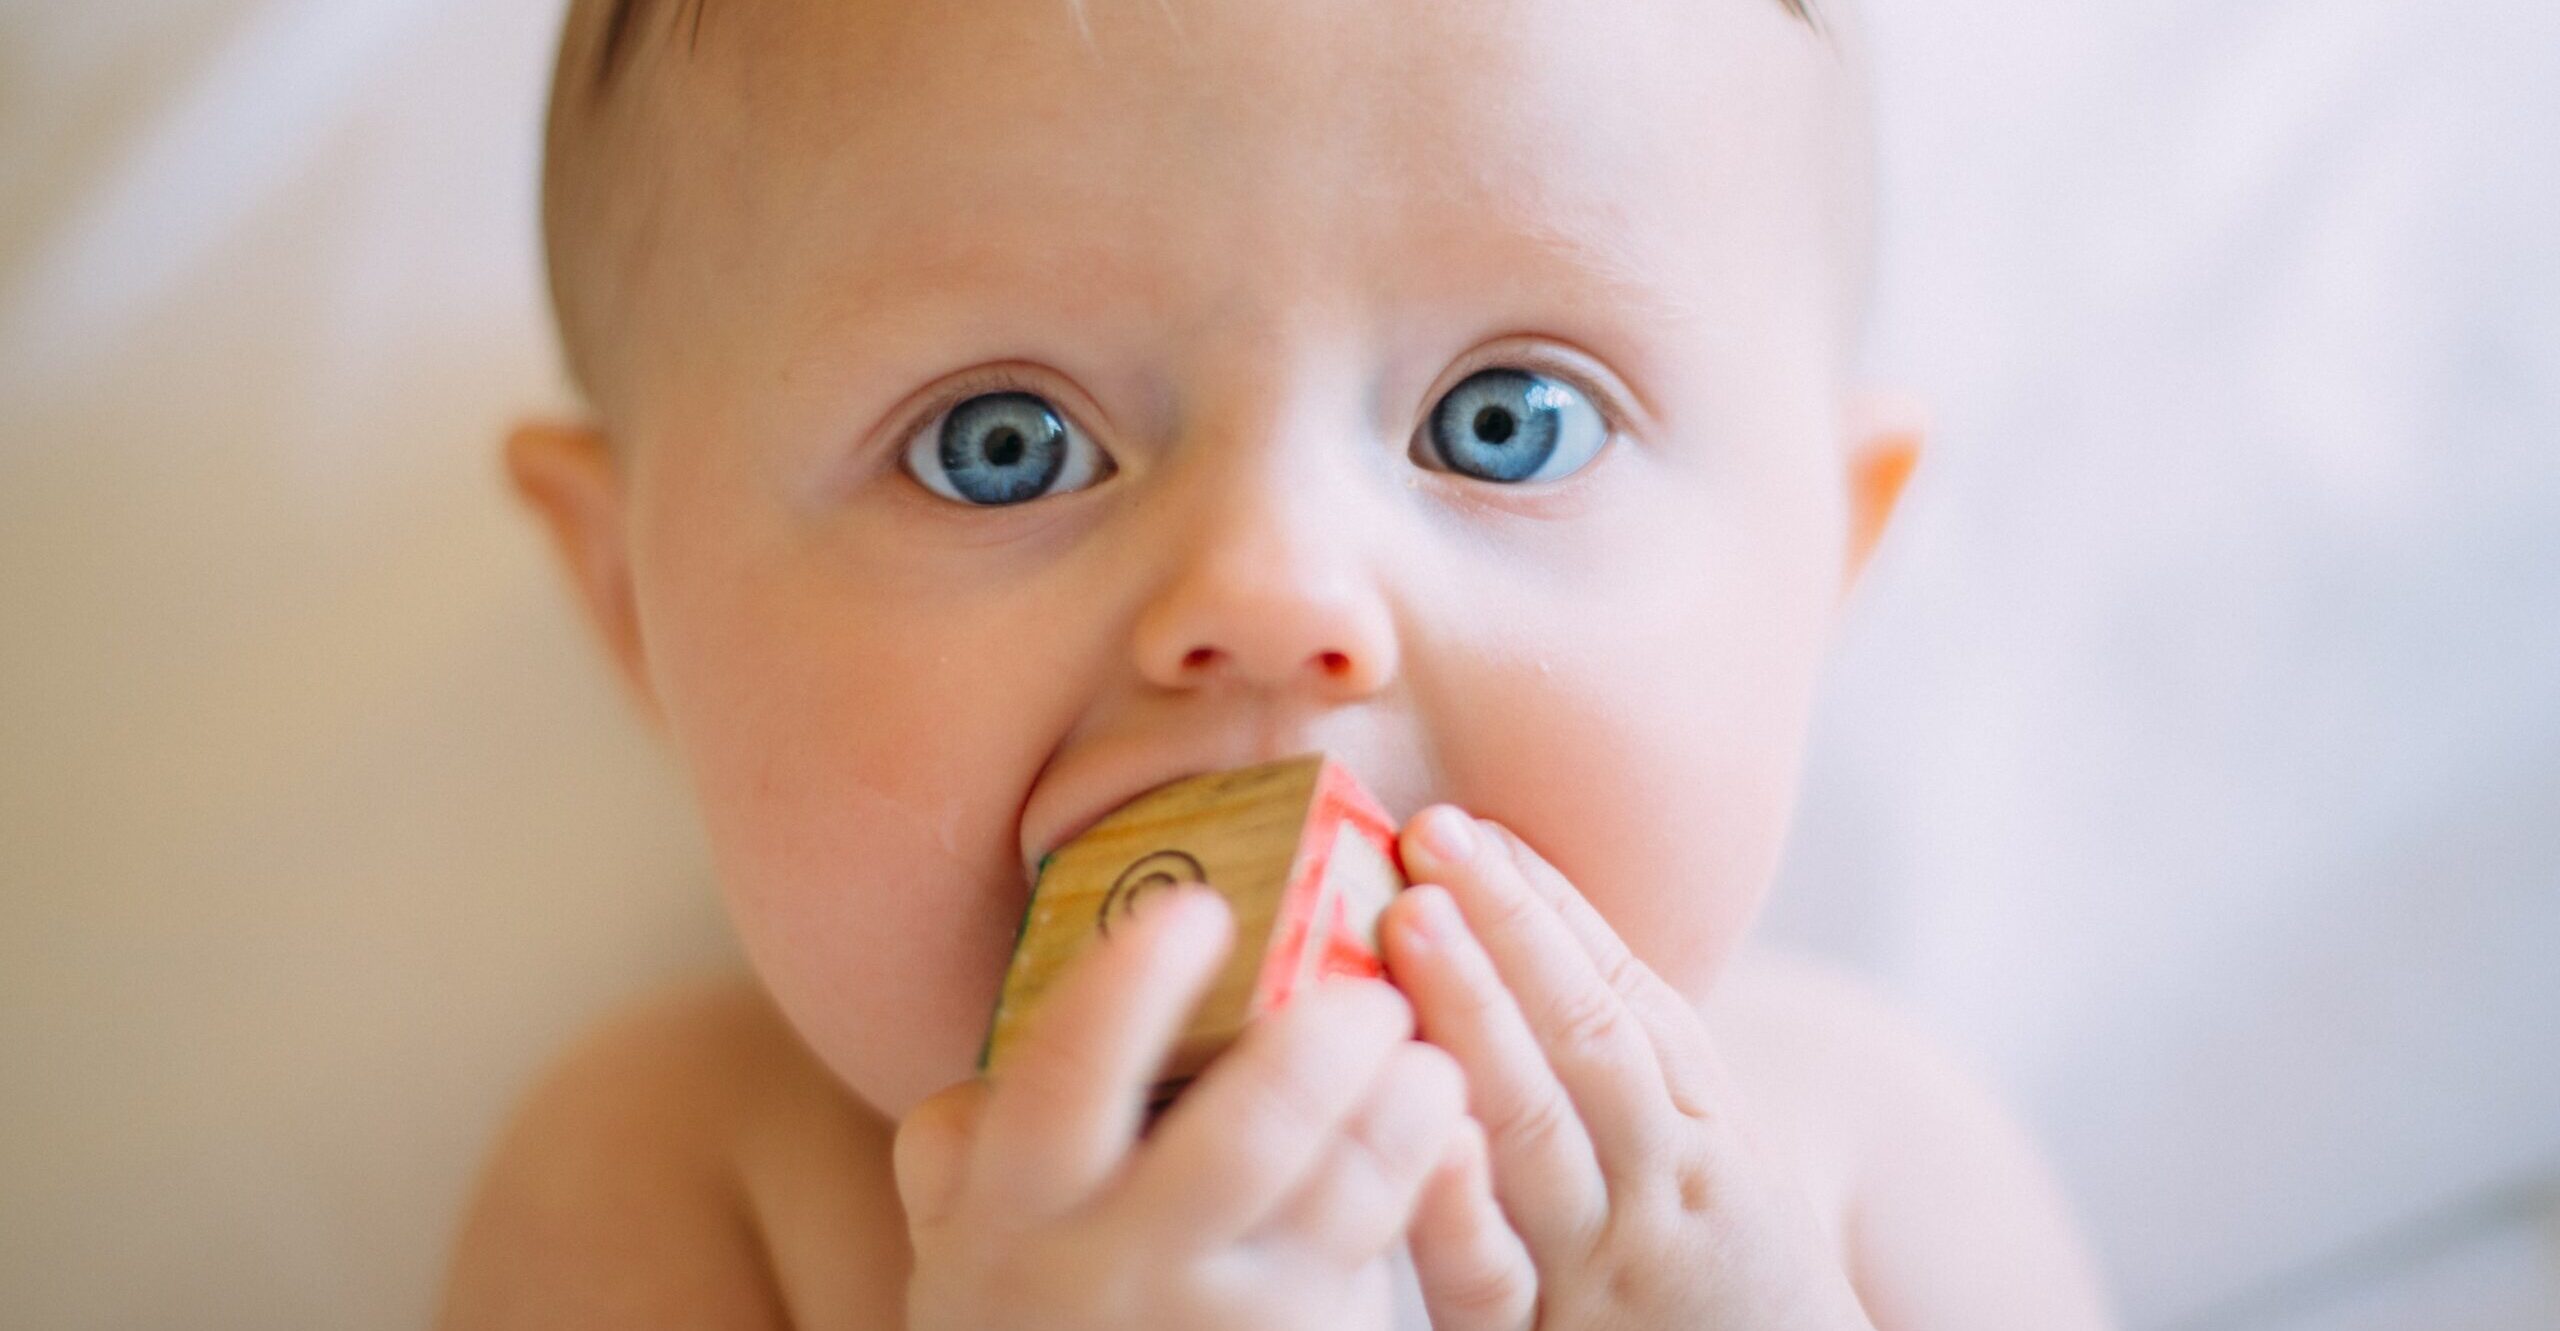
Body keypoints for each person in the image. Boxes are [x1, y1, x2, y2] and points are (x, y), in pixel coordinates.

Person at [439, 0, 2117, 1325]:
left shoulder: (1866, 1164)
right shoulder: (670, 1184)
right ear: (636, 608)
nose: (1272, 592)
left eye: (1505, 424)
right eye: (1002, 443)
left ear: (1825, 566)